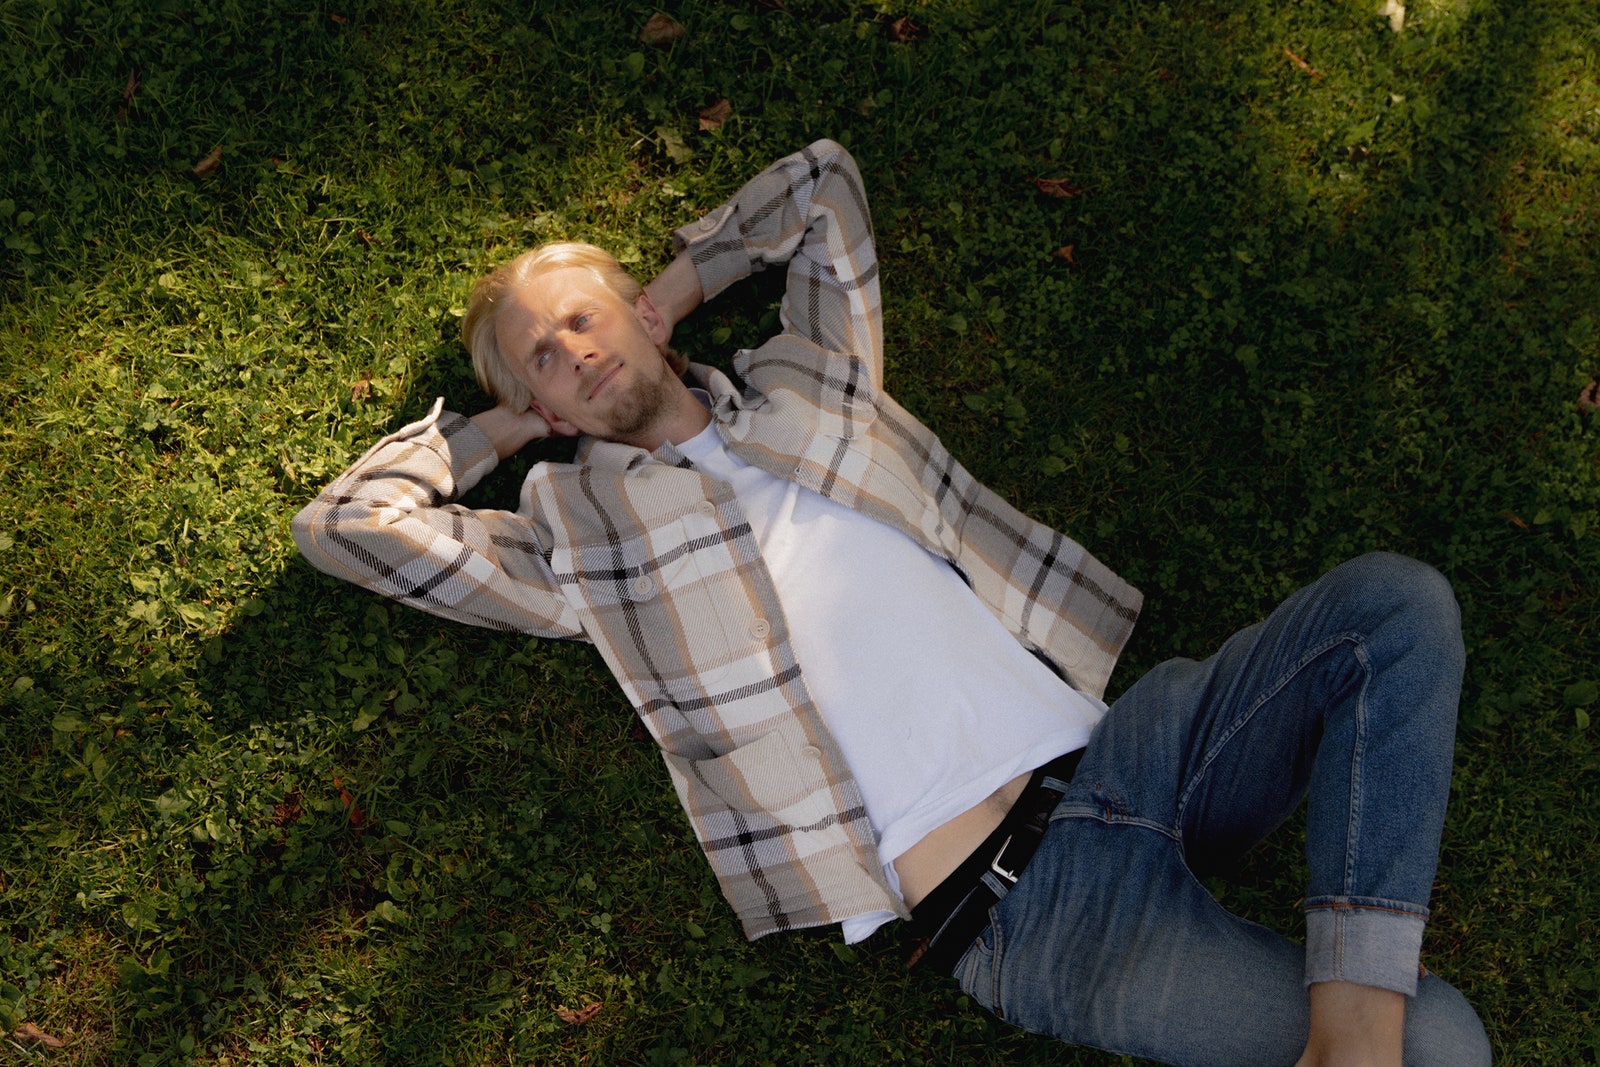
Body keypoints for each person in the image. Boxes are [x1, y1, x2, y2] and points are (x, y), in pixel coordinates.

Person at [293, 141, 1491, 1066]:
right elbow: (346, 529)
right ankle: (1375, 1039)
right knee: (1446, 1044)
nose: (573, 350)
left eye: (580, 316)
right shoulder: (578, 548)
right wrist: (499, 427)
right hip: (1035, 910)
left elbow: (821, 184)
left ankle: (1348, 1046)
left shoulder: (815, 379)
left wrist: (679, 282)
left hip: (1139, 745)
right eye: (540, 356)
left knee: (1392, 605)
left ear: (631, 313)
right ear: (543, 406)